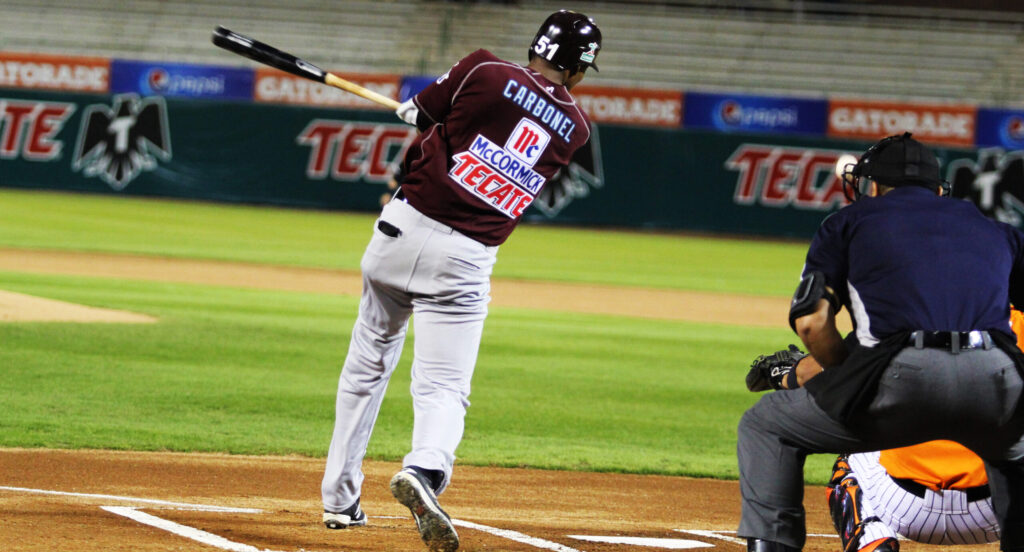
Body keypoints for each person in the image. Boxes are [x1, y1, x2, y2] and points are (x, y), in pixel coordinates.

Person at [320, 10, 601, 552]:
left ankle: (339, 499)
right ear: (581, 70)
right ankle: (423, 472)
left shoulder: (483, 68)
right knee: (443, 386)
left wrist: (418, 113)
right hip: (466, 258)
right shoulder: (576, 129)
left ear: (536, 45)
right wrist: (430, 119)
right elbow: (486, 134)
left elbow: (429, 110)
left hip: (399, 232)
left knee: (367, 364)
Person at [735, 132, 1024, 552]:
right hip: (993, 379)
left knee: (766, 426)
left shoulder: (849, 223)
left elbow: (814, 324)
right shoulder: (997, 232)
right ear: (938, 188)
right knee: (1011, 451)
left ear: (870, 186)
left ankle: (866, 538)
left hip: (901, 393)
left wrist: (839, 380)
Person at [747, 349, 1000, 552]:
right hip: (995, 514)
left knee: (850, 455)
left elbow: (814, 374)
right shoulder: (1013, 324)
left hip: (905, 508)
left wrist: (783, 373)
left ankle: (872, 539)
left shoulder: (899, 321)